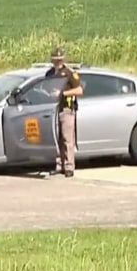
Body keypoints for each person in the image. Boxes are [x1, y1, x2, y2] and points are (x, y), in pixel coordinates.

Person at [45, 47, 83, 177]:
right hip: (53, 109)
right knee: (56, 138)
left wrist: (63, 93)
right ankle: (59, 165)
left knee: (67, 138)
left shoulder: (69, 73)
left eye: (60, 59)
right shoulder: (49, 74)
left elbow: (79, 90)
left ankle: (69, 167)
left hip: (67, 108)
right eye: (55, 60)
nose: (58, 62)